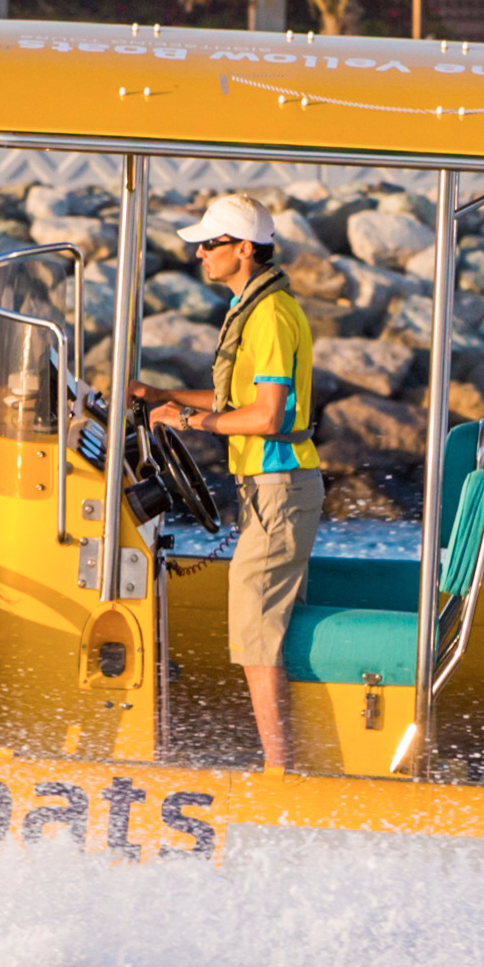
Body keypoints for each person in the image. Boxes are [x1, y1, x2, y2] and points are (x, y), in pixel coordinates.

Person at [143, 194, 316, 770]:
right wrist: (160, 398)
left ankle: (278, 773)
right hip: (269, 489)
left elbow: (266, 417)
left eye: (210, 243)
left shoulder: (267, 316)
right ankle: (280, 763)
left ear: (245, 249)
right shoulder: (256, 306)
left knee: (255, 631)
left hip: (277, 488)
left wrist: (190, 421)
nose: (199, 253)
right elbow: (234, 402)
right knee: (254, 626)